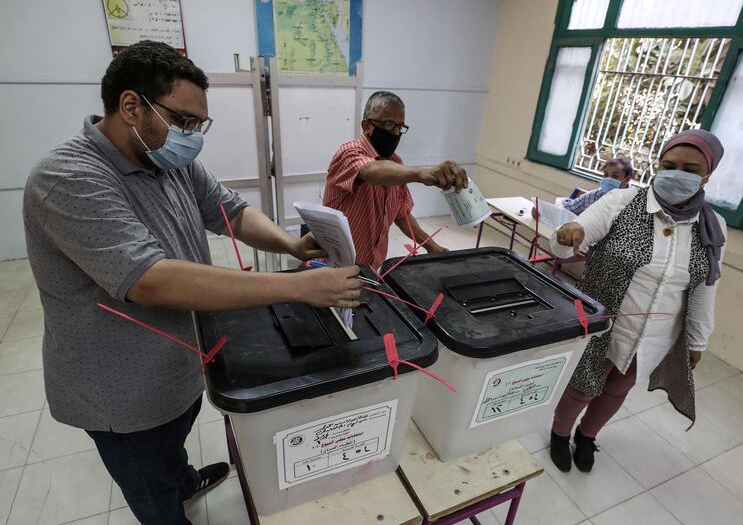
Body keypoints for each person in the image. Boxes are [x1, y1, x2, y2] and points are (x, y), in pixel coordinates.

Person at [23, 41, 361, 524]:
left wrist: (290, 246)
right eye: (183, 121)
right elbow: (151, 281)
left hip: (177, 358)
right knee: (150, 483)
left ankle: (184, 481)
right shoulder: (68, 177)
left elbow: (232, 211)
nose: (192, 136)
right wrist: (297, 287)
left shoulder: (168, 159)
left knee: (174, 440)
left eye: (199, 124)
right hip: (120, 389)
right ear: (131, 106)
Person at [547, 130, 727, 473]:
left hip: (657, 331)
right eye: (669, 165)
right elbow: (574, 234)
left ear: (707, 174)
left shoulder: (713, 225)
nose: (678, 174)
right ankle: (559, 433)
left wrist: (697, 340)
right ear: (657, 166)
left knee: (617, 389)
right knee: (583, 385)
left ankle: (587, 436)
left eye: (690, 169)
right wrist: (567, 235)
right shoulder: (622, 202)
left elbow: (706, 287)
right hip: (604, 323)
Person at [323, 91, 469, 270]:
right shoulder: (349, 153)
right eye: (388, 125)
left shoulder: (396, 163)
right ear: (366, 125)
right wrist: (421, 174)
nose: (395, 133)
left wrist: (432, 247)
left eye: (400, 127)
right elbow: (371, 170)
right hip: (334, 269)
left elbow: (402, 215)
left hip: (370, 271)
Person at [561, 158, 634, 215]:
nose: (609, 179)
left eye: (615, 176)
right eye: (606, 175)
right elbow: (566, 207)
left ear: (627, 179)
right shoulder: (594, 196)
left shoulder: (634, 203)